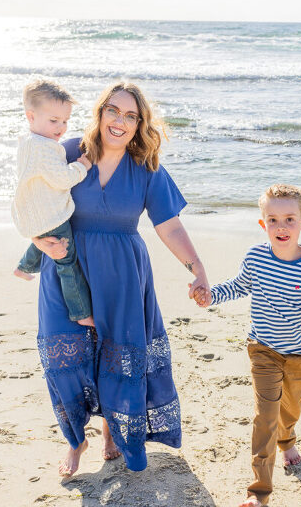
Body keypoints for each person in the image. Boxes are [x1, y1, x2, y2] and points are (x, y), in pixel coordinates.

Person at [31, 81, 210, 476]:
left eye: (131, 116)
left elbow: (169, 225)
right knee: (68, 360)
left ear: (139, 124)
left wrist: (196, 268)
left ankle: (114, 433)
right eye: (114, 110)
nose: (120, 121)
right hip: (66, 269)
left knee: (118, 357)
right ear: (100, 112)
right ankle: (77, 440)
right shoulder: (68, 151)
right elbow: (31, 197)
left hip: (123, 276)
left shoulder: (146, 167)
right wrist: (36, 241)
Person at [193, 184, 301, 507]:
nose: (281, 226)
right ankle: (259, 492)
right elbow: (238, 286)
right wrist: (210, 295)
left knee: (290, 410)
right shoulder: (256, 257)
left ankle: (287, 439)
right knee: (266, 415)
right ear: (263, 224)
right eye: (272, 220)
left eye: (289, 219)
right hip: (263, 349)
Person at [11, 79, 95, 327]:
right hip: (51, 213)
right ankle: (81, 313)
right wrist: (82, 166)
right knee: (67, 262)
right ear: (31, 116)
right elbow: (62, 179)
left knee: (47, 239)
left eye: (65, 121)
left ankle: (24, 267)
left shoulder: (27, 143)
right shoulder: (46, 148)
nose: (61, 127)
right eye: (53, 120)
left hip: (35, 212)